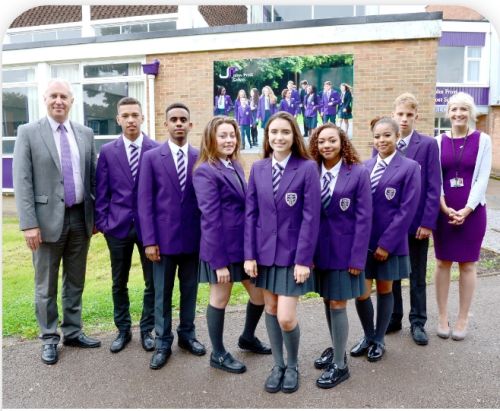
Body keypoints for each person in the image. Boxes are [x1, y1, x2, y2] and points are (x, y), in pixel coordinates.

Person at [13, 79, 101, 365]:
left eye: (64, 96)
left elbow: (93, 179)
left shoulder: (85, 134)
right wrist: (28, 224)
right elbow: (22, 181)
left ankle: (73, 332)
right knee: (45, 286)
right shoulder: (28, 132)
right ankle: (49, 337)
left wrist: (96, 216)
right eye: (54, 96)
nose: (59, 101)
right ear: (45, 99)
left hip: (80, 219)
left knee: (75, 281)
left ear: (72, 101)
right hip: (45, 222)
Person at [244, 111, 321, 394]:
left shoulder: (307, 168)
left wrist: (303, 260)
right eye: (273, 132)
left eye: (285, 132)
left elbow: (311, 218)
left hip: (292, 257)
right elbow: (251, 214)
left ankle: (293, 365)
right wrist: (249, 255)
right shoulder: (259, 168)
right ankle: (277, 365)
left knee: (286, 317)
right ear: (267, 136)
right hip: (264, 255)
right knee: (271, 309)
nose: (279, 137)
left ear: (294, 136)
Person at [193, 116, 271, 374]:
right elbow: (210, 218)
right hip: (221, 249)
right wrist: (219, 262)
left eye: (232, 135)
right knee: (220, 298)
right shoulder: (205, 170)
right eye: (223, 135)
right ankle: (218, 353)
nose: (229, 140)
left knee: (259, 296)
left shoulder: (235, 164)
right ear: (211, 139)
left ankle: (247, 337)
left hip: (244, 248)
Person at [138, 102, 206, 370]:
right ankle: (163, 341)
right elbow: (145, 203)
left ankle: (187, 336)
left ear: (190, 125)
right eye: (173, 119)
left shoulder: (201, 157)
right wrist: (149, 241)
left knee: (189, 291)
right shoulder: (152, 158)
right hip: (162, 243)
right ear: (166, 124)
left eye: (183, 120)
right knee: (162, 294)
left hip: (193, 240)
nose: (178, 123)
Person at [350, 117, 420, 362]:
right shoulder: (364, 167)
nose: (381, 140)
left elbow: (407, 210)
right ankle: (368, 336)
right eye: (377, 136)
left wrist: (386, 244)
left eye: (387, 135)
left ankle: (380, 339)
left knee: (384, 289)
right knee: (361, 292)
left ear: (397, 137)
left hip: (390, 243)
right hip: (363, 243)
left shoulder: (410, 167)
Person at [308, 123, 372, 389]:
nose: (326, 145)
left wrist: (358, 259)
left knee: (338, 304)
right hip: (318, 252)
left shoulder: (357, 173)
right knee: (327, 299)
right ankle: (338, 349)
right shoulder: (311, 171)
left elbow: (364, 218)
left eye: (332, 140)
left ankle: (341, 367)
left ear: (342, 141)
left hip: (345, 254)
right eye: (321, 141)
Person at [95, 97, 158, 354]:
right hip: (117, 227)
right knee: (118, 282)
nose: (131, 119)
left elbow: (159, 193)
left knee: (152, 282)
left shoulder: (156, 150)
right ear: (118, 119)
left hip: (149, 230)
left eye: (135, 114)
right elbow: (101, 192)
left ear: (142, 118)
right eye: (125, 115)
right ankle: (123, 330)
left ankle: (147, 330)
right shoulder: (108, 152)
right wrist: (103, 223)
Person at [433, 92, 492, 341]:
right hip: (444, 211)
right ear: (448, 112)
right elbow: (435, 178)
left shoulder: (483, 140)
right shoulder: (437, 142)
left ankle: (462, 318)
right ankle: (443, 316)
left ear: (471, 113)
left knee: (468, 265)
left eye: (464, 109)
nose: (458, 114)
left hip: (473, 211)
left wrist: (467, 209)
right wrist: (445, 207)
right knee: (442, 263)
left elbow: (482, 178)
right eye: (454, 109)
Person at [383, 93, 441, 346]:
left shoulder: (427, 145)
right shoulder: (387, 143)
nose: (404, 119)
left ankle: (418, 321)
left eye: (409, 115)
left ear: (417, 116)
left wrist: (428, 221)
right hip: (393, 225)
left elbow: (433, 186)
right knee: (392, 274)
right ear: (394, 115)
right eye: (400, 114)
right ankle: (393, 318)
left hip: (417, 224)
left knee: (417, 274)